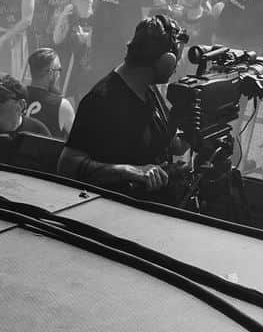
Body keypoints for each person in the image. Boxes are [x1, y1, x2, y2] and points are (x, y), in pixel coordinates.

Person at [58, 16, 187, 198]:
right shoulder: (101, 100)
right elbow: (67, 165)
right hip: (116, 212)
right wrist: (129, 171)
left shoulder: (149, 90)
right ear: (166, 61)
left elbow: (175, 146)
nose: (177, 65)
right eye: (176, 60)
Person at [25, 47, 75, 138]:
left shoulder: (17, 97)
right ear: (51, 73)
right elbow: (79, 141)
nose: (59, 75)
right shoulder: (62, 105)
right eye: (59, 70)